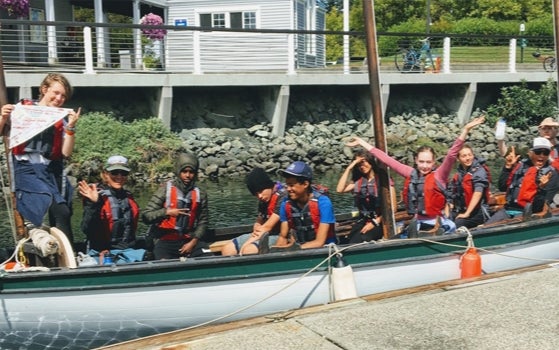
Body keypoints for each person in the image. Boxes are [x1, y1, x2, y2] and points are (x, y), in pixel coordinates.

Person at [346, 116, 485, 237]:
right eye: (421, 162)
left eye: (428, 162)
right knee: (402, 236)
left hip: (437, 224)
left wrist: (465, 130)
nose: (425, 166)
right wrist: (362, 142)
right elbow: (387, 159)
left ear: (434, 162)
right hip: (417, 223)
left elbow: (451, 154)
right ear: (416, 161)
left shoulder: (439, 176)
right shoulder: (411, 173)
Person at [0, 73, 81, 244]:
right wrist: (3, 118)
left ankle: (68, 256)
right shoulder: (21, 110)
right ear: (44, 89)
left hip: (48, 169)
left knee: (63, 211)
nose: (59, 98)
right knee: (43, 206)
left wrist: (71, 127)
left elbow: (65, 153)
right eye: (56, 93)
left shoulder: (60, 118)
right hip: (25, 167)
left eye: (63, 96)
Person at [141, 152, 209, 259]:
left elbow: (203, 221)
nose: (187, 175)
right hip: (164, 240)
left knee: (209, 256)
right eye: (184, 171)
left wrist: (193, 241)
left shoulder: (201, 194)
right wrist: (167, 212)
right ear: (178, 171)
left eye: (191, 172)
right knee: (162, 262)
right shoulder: (164, 190)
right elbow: (146, 216)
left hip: (189, 239)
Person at [259, 161, 336, 253]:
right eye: (287, 185)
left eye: (292, 185)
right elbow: (283, 236)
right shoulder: (286, 203)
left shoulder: (323, 202)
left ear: (305, 184)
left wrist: (292, 249)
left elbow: (319, 242)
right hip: (298, 248)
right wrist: (275, 250)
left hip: (324, 250)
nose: (288, 189)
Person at [486, 137, 559, 224]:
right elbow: (502, 187)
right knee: (482, 228)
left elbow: (538, 208)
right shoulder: (520, 166)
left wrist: (541, 188)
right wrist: (508, 168)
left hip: (528, 214)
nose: (542, 155)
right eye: (538, 152)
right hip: (508, 209)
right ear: (530, 153)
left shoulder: (551, 174)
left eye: (545, 153)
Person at [78, 155, 140, 253]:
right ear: (106, 174)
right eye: (114, 173)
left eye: (123, 173)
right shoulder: (97, 196)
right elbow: (86, 228)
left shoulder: (129, 197)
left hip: (128, 249)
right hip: (102, 251)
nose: (119, 177)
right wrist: (93, 204)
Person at [221, 168, 287, 256]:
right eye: (256, 194)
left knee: (248, 250)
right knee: (227, 249)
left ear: (268, 185)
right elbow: (259, 220)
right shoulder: (264, 199)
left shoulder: (283, 197)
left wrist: (246, 244)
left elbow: (267, 227)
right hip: (264, 233)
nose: (259, 196)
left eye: (261, 191)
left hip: (280, 235)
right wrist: (257, 225)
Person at [336, 148, 396, 243]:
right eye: (358, 164)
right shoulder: (359, 181)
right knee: (347, 240)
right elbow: (339, 189)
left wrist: (375, 222)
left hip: (380, 221)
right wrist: (349, 167)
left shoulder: (383, 181)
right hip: (364, 219)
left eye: (363, 162)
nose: (362, 166)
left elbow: (393, 208)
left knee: (360, 239)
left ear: (370, 161)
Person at [446, 145, 492, 228]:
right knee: (445, 222)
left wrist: (467, 213)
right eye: (464, 156)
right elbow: (450, 196)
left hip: (478, 212)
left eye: (470, 155)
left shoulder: (479, 171)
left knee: (456, 224)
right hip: (461, 209)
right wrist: (448, 212)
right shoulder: (459, 173)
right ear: (458, 158)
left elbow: (478, 193)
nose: (468, 158)